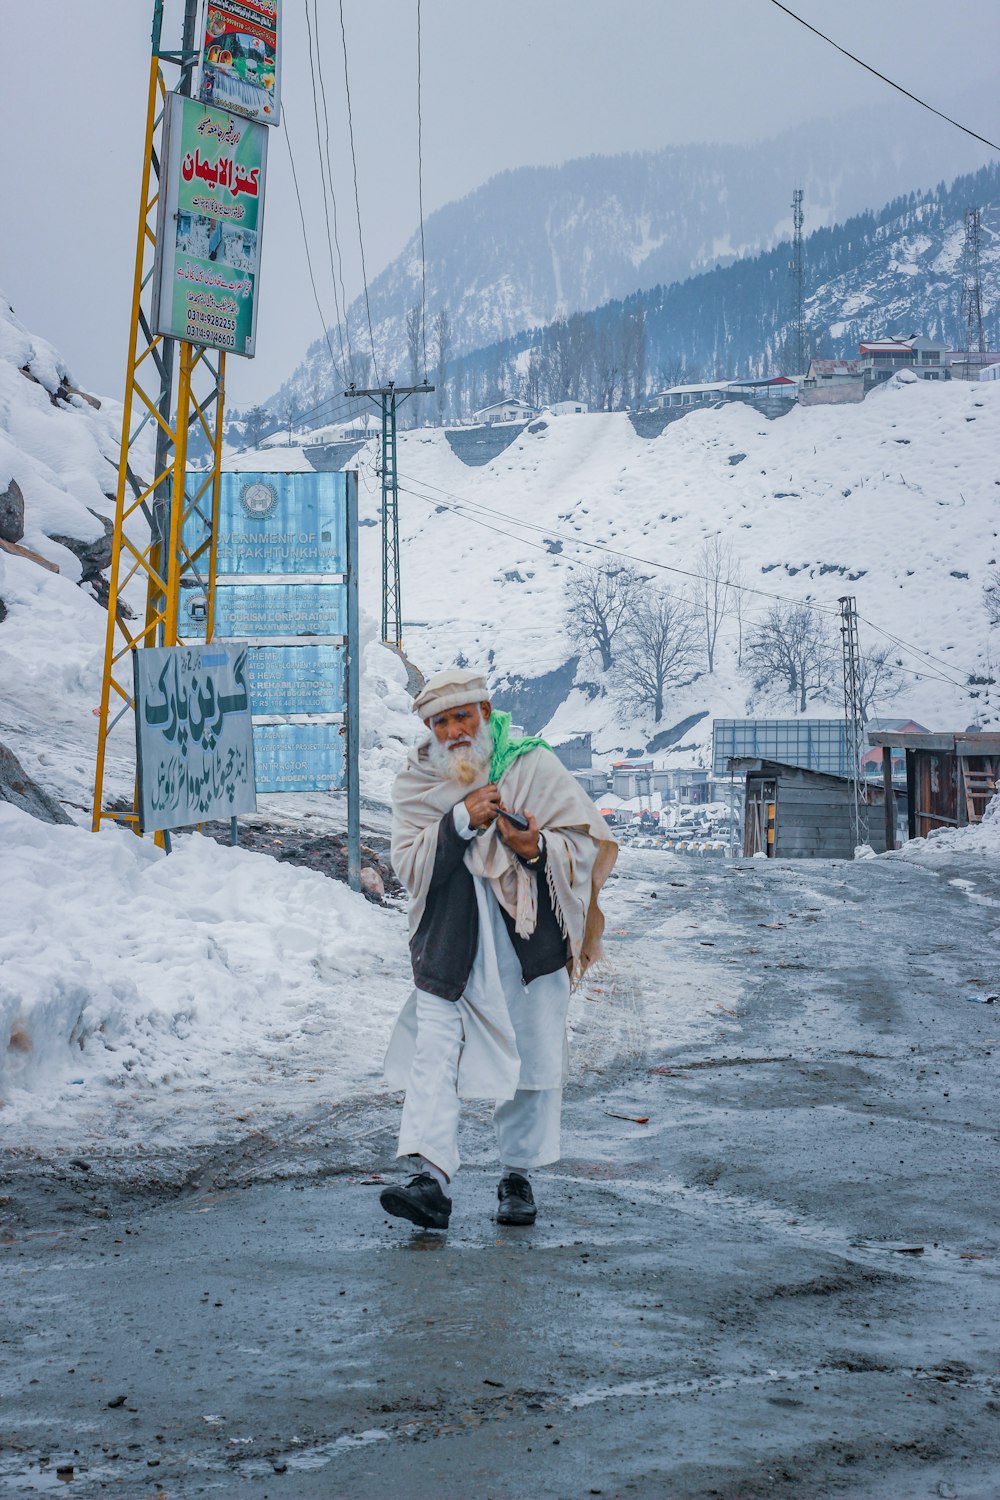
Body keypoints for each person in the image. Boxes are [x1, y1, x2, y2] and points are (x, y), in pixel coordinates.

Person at [381, 666, 618, 1230]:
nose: (454, 731)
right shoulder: (417, 781)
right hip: (449, 943)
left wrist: (534, 847)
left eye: (463, 716)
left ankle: (518, 1176)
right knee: (435, 1053)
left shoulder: (533, 765)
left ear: (485, 714)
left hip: (525, 943)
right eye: (441, 722)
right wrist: (459, 821)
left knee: (531, 1053)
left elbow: (584, 843)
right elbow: (409, 866)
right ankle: (430, 1180)